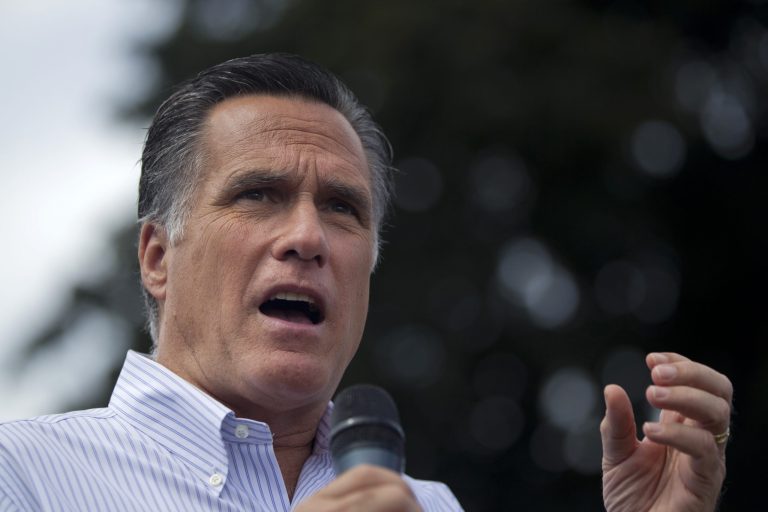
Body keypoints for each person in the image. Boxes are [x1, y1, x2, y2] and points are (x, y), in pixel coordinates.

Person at [0, 54, 731, 512]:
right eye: (258, 195)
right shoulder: (25, 476)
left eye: (342, 208)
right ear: (158, 258)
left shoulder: (432, 506)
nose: (308, 237)